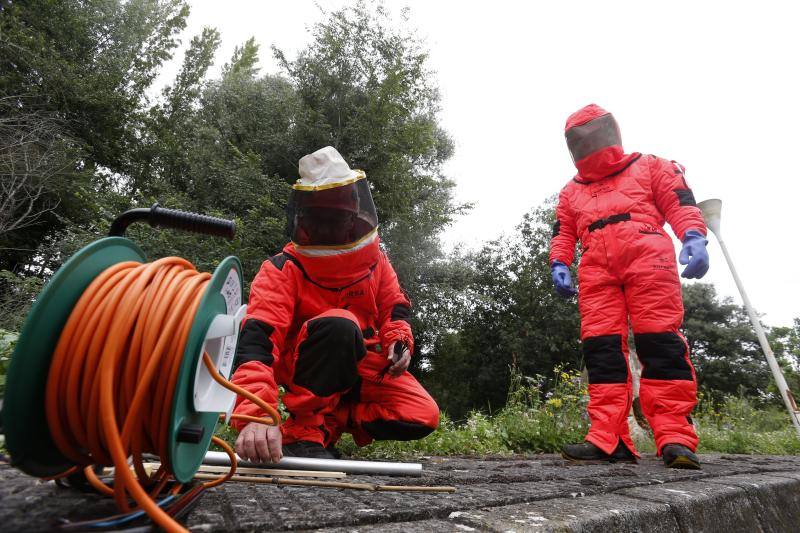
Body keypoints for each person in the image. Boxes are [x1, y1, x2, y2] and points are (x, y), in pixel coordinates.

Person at [229, 146, 440, 461]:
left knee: (421, 414)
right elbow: (258, 341)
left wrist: (399, 341)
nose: (329, 227)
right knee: (341, 324)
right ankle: (304, 433)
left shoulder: (375, 260)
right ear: (305, 219)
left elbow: (395, 308)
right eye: (320, 219)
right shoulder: (282, 268)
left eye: (336, 218)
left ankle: (329, 424)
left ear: (353, 216)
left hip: (362, 365)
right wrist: (255, 414)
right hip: (305, 363)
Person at [550, 104, 710, 469]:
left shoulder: (652, 166)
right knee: (601, 350)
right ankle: (609, 438)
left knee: (660, 343)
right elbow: (563, 230)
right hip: (596, 269)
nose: (586, 144)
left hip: (648, 260)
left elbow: (680, 202)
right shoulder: (571, 192)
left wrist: (693, 235)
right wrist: (559, 262)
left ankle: (674, 437)